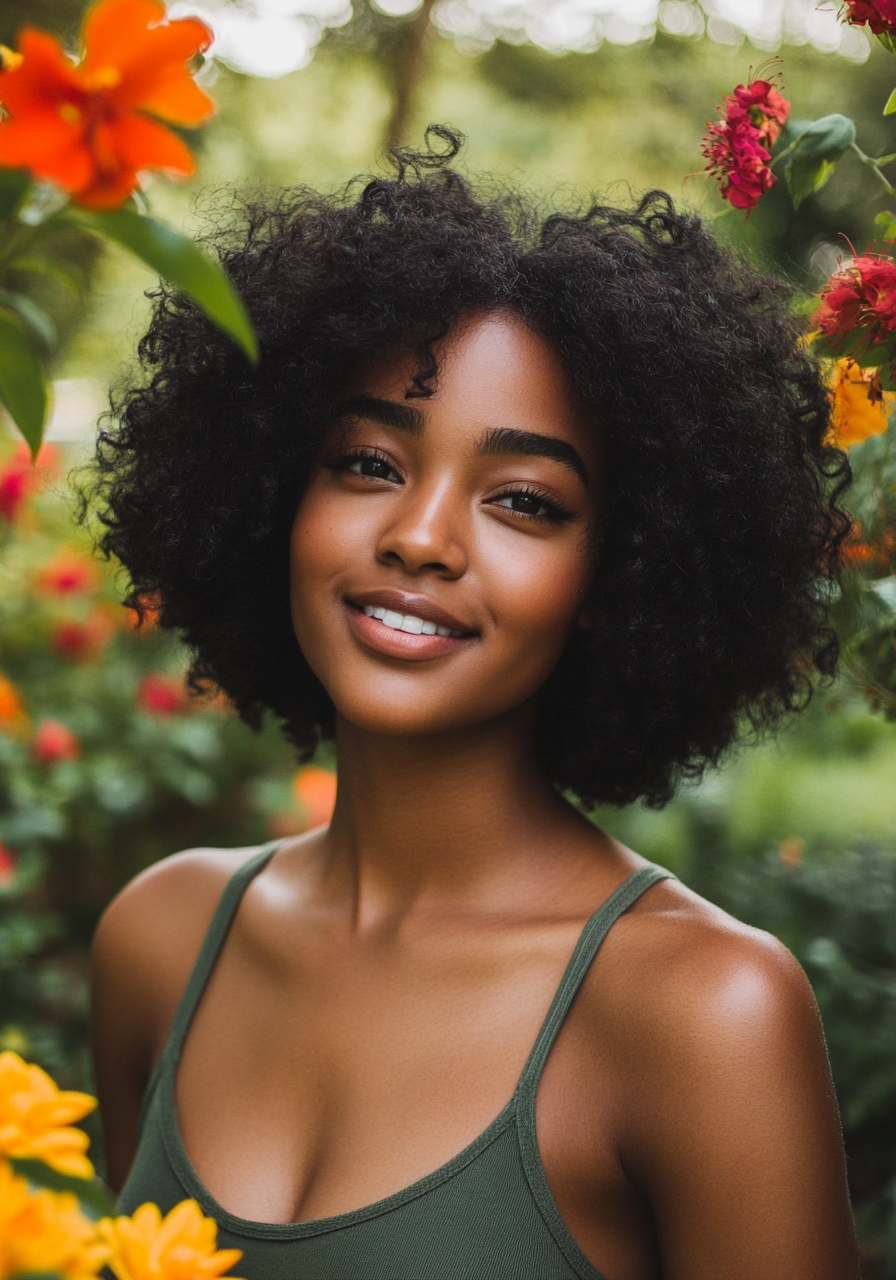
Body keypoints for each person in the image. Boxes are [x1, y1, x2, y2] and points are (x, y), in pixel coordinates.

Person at [88, 130, 860, 1280]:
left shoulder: (702, 1012)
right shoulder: (160, 938)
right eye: (367, 464)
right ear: (270, 496)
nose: (418, 536)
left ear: (617, 574)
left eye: (523, 501)